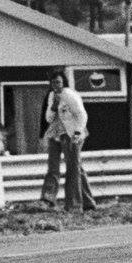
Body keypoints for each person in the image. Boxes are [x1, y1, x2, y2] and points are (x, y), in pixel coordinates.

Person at [39, 70, 96, 212]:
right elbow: (48, 118)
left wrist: (77, 133)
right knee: (54, 166)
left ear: (63, 82)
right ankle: (49, 199)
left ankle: (74, 204)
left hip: (72, 133)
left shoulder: (70, 95)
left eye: (58, 82)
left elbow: (82, 114)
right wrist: (53, 107)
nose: (55, 85)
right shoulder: (52, 95)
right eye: (53, 83)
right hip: (56, 132)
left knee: (73, 169)